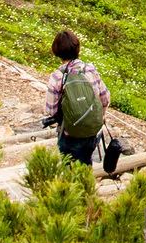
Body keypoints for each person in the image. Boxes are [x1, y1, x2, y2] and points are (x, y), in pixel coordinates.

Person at [43, 30, 111, 166]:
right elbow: (105, 98)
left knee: (70, 167)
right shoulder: (90, 69)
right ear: (77, 48)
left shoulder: (57, 76)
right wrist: (100, 116)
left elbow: (51, 110)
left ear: (57, 51)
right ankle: (87, 178)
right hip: (92, 131)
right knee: (86, 161)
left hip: (70, 133)